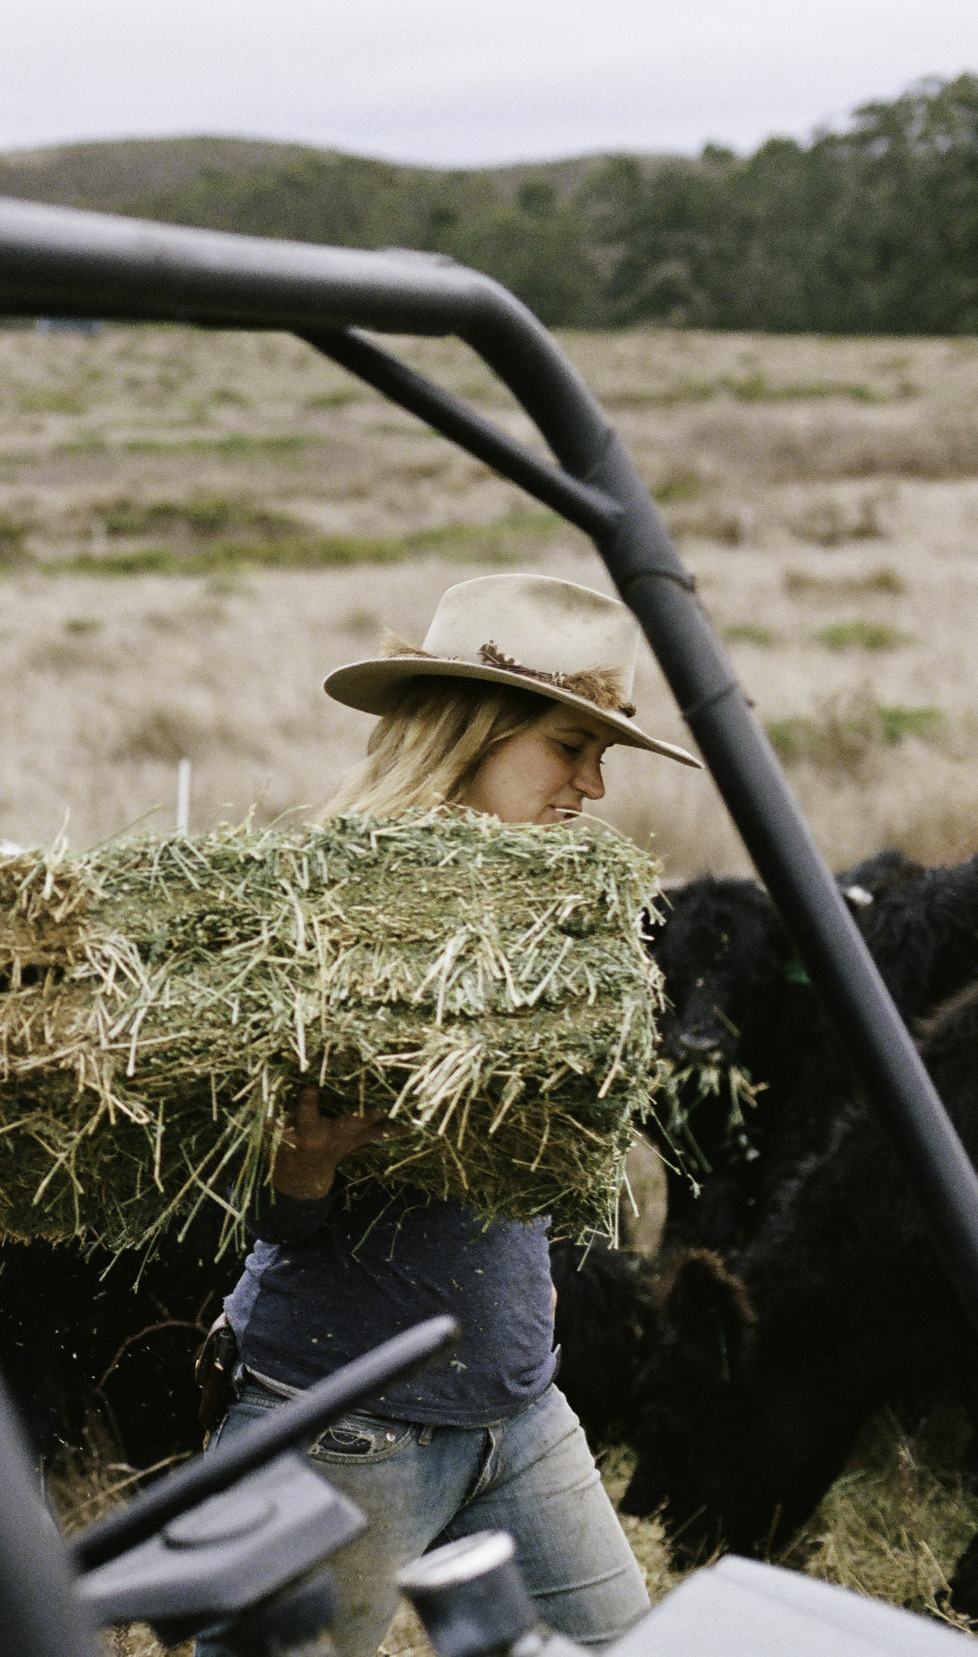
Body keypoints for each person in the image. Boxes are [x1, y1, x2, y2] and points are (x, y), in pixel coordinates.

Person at [201, 573, 699, 1656]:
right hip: (342, 1420)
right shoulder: (324, 910)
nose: (593, 786)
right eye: (570, 747)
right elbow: (227, 1207)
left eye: (603, 755)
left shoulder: (552, 919)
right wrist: (299, 1173)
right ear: (472, 735)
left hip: (518, 1408)